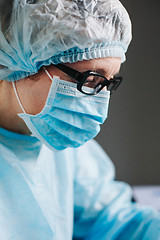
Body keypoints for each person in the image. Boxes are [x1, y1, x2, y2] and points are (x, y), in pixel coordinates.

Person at [0, 0, 160, 239]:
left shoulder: (61, 144)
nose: (100, 102)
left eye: (108, 83)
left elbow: (113, 221)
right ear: (20, 61)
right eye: (90, 79)